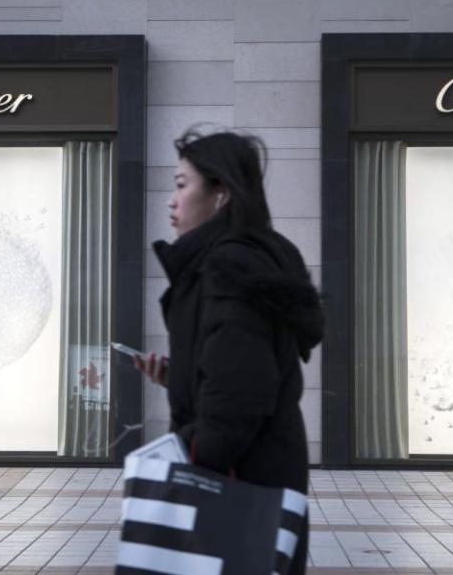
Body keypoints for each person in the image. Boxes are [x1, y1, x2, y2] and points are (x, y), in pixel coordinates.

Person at [134, 128, 323, 574]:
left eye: (182, 185)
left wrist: (197, 464)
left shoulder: (228, 262)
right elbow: (238, 357)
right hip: (263, 470)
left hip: (237, 478)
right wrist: (181, 375)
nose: (171, 200)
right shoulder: (245, 256)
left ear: (220, 193)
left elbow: (242, 387)